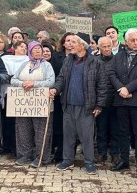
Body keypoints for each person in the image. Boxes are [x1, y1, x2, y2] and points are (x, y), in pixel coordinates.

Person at [49, 35, 107, 175]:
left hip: (86, 106)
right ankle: (67, 160)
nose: (70, 45)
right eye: (70, 42)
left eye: (74, 42)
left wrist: (99, 105)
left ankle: (89, 162)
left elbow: (102, 86)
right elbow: (61, 78)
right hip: (68, 104)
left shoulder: (95, 62)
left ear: (82, 45)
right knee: (68, 134)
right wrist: (56, 89)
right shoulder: (68, 60)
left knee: (86, 136)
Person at [109, 29, 137, 178]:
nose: (136, 43)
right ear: (126, 41)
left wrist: (128, 88)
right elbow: (112, 73)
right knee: (123, 132)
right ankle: (124, 160)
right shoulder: (118, 56)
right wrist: (121, 89)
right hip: (121, 100)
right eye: (132, 40)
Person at [11, 41, 55, 167]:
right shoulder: (24, 64)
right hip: (24, 105)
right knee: (23, 130)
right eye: (34, 49)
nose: (37, 51)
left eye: (39, 49)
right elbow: (13, 79)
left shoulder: (47, 66)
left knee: (42, 132)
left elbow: (51, 81)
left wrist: (34, 83)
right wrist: (22, 84)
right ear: (30, 51)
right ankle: (25, 155)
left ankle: (41, 157)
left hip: (41, 104)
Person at [0, 41, 29, 155]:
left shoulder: (29, 60)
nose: (24, 49)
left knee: (20, 121)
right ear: (14, 48)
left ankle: (18, 146)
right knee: (8, 120)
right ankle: (7, 145)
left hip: (23, 93)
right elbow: (2, 72)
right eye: (21, 47)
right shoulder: (6, 59)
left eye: (25, 47)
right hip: (8, 92)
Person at [50, 32, 75, 163]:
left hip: (74, 97)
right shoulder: (56, 57)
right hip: (60, 96)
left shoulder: (80, 57)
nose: (70, 43)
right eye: (68, 40)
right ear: (63, 43)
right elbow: (54, 74)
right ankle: (59, 153)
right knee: (60, 125)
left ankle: (71, 153)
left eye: (73, 41)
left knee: (72, 126)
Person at [95, 37, 120, 165]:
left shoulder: (118, 60)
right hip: (101, 102)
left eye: (108, 46)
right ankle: (101, 153)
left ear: (112, 46)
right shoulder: (94, 61)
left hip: (115, 101)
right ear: (99, 48)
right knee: (101, 129)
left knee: (115, 130)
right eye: (103, 47)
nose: (106, 49)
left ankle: (115, 154)